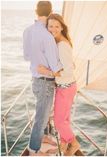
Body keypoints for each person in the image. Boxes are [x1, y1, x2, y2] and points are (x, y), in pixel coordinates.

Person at [37, 13, 82, 156]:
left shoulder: (62, 44)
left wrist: (48, 71)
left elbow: (68, 69)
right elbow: (70, 64)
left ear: (62, 27)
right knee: (65, 120)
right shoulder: (57, 42)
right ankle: (63, 145)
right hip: (67, 86)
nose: (53, 29)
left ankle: (73, 143)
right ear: (47, 28)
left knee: (58, 122)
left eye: (57, 26)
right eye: (51, 26)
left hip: (66, 87)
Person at [23, 1, 63, 156]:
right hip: (45, 82)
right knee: (41, 118)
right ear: (51, 12)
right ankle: (34, 150)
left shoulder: (27, 31)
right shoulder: (48, 36)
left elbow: (27, 57)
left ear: (36, 11)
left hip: (35, 80)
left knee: (43, 114)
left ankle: (45, 137)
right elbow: (55, 66)